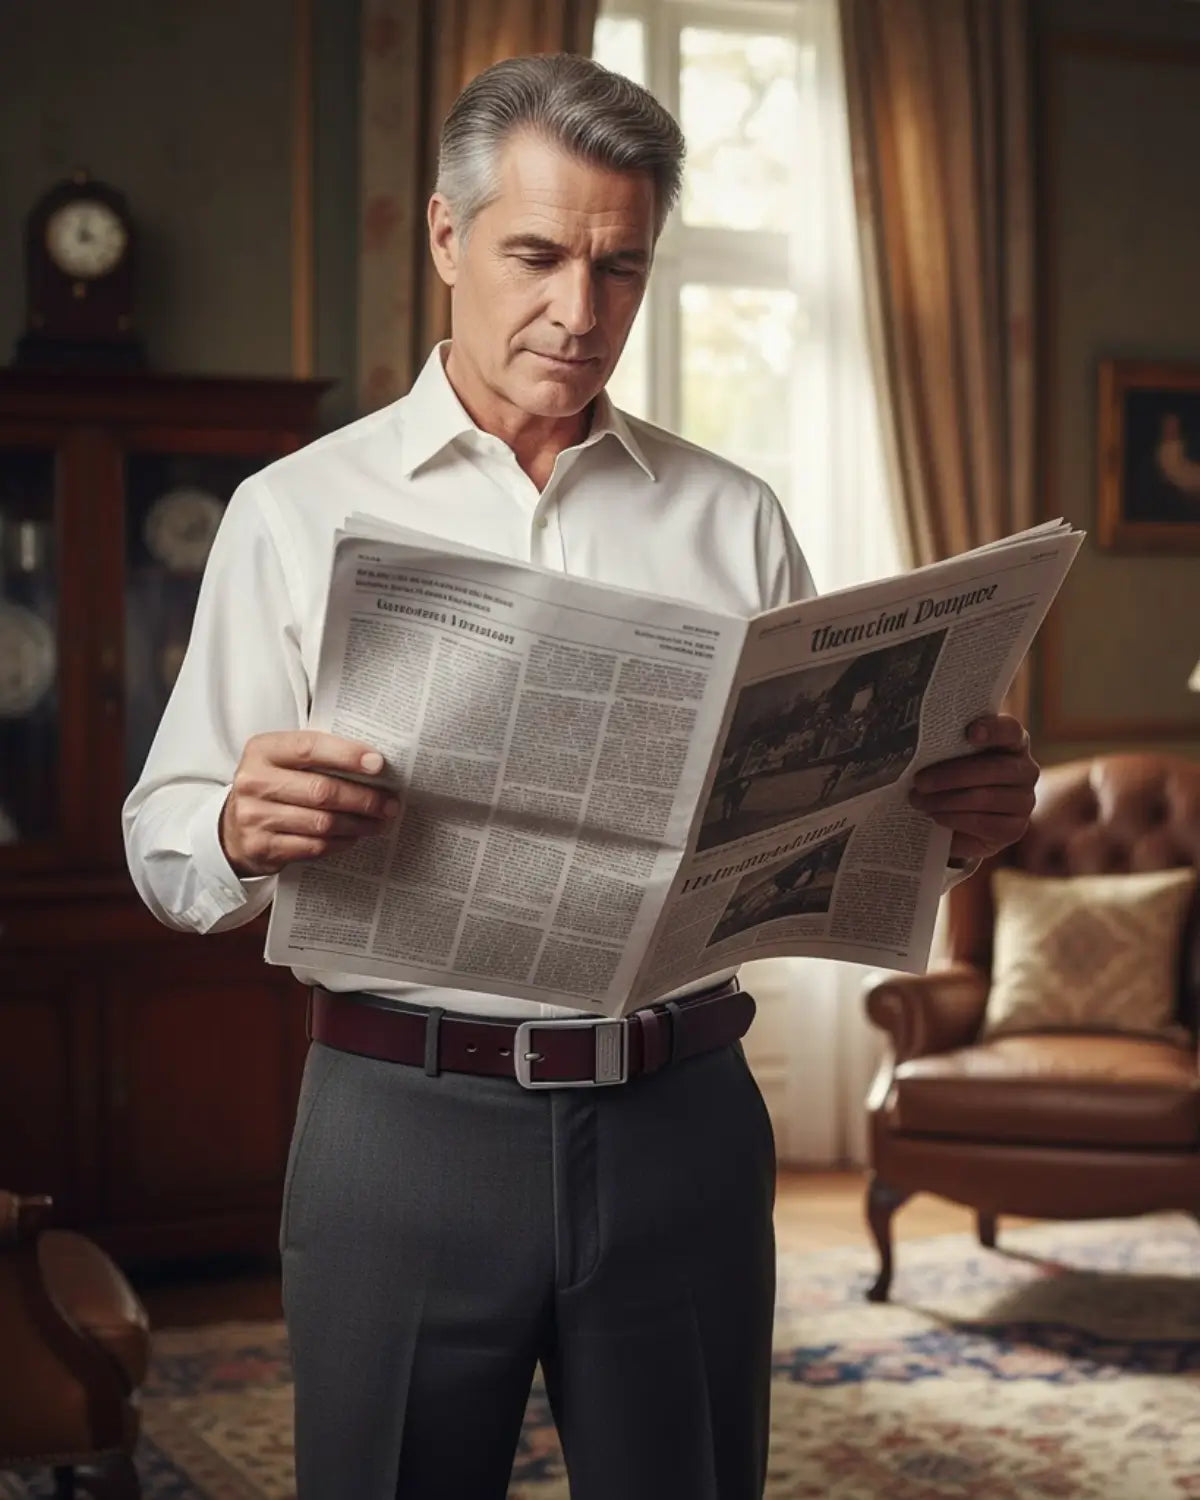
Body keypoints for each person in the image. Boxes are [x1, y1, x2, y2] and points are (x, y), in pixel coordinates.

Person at [122, 53, 1039, 1500]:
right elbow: (165, 841)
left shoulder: (733, 516)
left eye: (622, 267)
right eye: (539, 256)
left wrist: (958, 824)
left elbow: (820, 817)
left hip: (684, 1125)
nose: (580, 310)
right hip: (400, 1127)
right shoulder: (293, 511)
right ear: (446, 236)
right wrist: (234, 825)